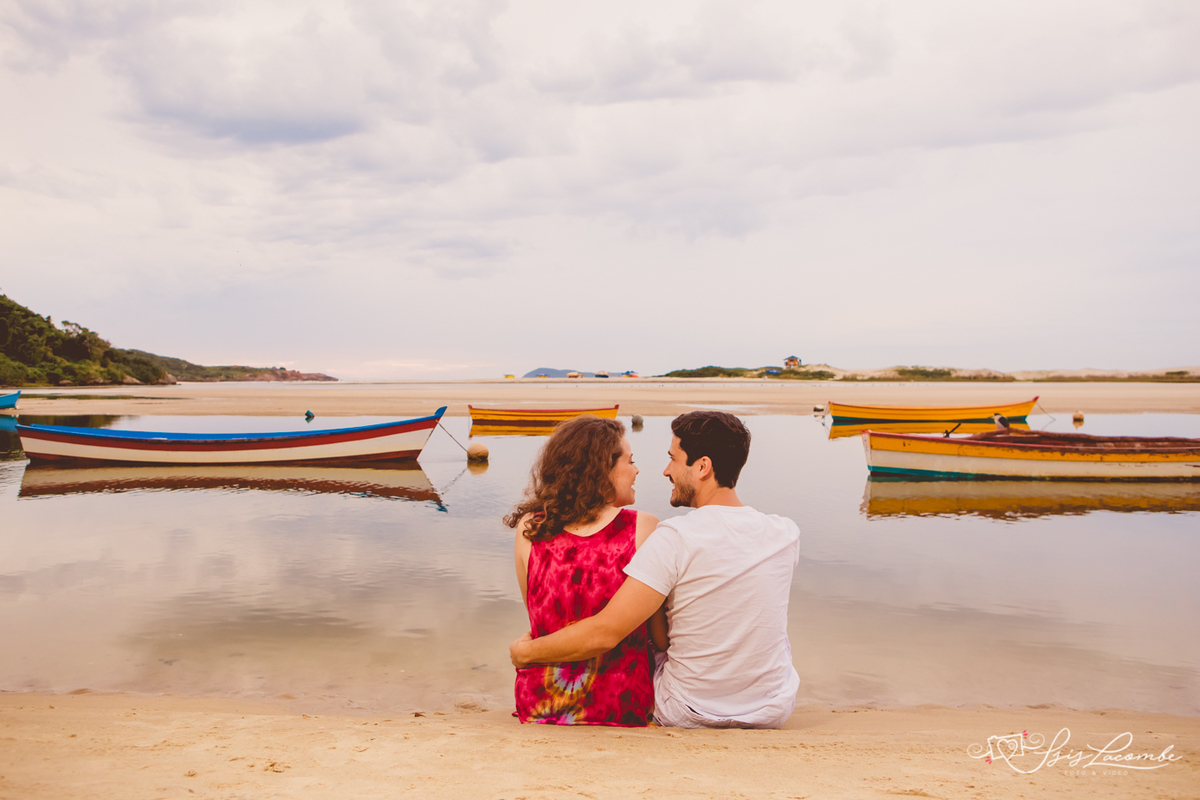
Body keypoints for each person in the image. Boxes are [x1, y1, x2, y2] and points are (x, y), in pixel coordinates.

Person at [509, 410, 800, 729]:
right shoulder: (786, 534)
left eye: (673, 459)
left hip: (687, 709)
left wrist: (525, 653)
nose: (665, 470)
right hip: (773, 708)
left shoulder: (673, 537)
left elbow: (606, 632)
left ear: (702, 467)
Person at [505, 414, 666, 726]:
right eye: (630, 461)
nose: (636, 470)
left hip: (540, 701)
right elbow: (658, 636)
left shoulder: (531, 527)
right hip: (619, 703)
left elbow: (540, 620)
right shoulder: (643, 528)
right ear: (602, 468)